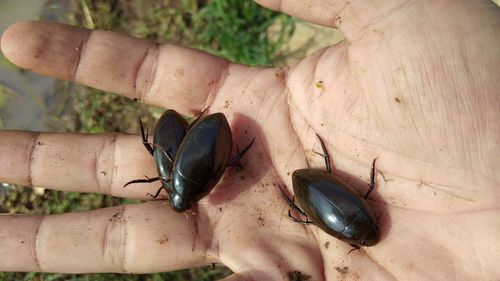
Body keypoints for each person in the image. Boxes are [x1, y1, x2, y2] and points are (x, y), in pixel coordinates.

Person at [0, 0, 498, 280]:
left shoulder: (190, 179)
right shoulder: (182, 174)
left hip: (288, 182)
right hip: (286, 182)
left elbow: (212, 161)